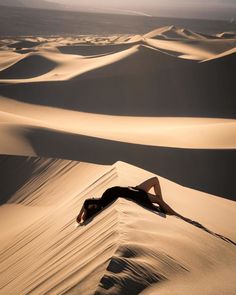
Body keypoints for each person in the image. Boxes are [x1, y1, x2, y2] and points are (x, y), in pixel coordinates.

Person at [76, 176, 183, 224]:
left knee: (155, 180)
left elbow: (85, 206)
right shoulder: (100, 204)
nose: (93, 198)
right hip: (134, 194)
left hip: (132, 189)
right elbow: (86, 205)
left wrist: (81, 215)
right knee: (158, 200)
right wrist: (82, 215)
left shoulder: (93, 203)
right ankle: (178, 215)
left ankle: (163, 205)